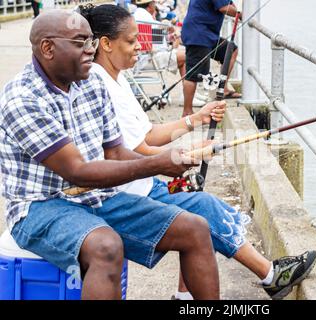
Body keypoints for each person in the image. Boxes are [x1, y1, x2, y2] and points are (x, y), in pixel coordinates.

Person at [79, 3, 316, 300]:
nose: (139, 46)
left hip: (137, 182)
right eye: (131, 40)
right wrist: (185, 154)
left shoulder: (118, 78)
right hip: (125, 190)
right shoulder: (102, 85)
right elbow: (140, 149)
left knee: (195, 203)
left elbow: (149, 134)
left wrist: (197, 118)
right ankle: (271, 274)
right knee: (201, 209)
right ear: (105, 43)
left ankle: (190, 295)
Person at [0, 10, 220, 300]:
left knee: (195, 227)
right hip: (40, 207)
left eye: (90, 40)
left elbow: (116, 152)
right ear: (48, 48)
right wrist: (158, 163)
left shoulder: (92, 82)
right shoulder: (23, 99)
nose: (90, 49)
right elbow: (76, 171)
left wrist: (170, 162)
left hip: (95, 198)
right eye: (80, 42)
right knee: (106, 246)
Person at [134, 0, 207, 107]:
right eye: (154, 3)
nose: (156, 6)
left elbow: (154, 40)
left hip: (148, 56)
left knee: (185, 55)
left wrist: (168, 37)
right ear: (150, 5)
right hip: (148, 58)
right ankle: (188, 95)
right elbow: (152, 44)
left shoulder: (139, 14)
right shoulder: (144, 16)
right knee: (188, 56)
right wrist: (168, 27)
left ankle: (189, 94)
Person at [180, 0, 242, 117]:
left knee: (231, 50)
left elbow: (229, 4)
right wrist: (241, 14)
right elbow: (224, 8)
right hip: (198, 33)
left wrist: (237, 10)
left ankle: (223, 89)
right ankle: (187, 112)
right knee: (192, 75)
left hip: (209, 35)